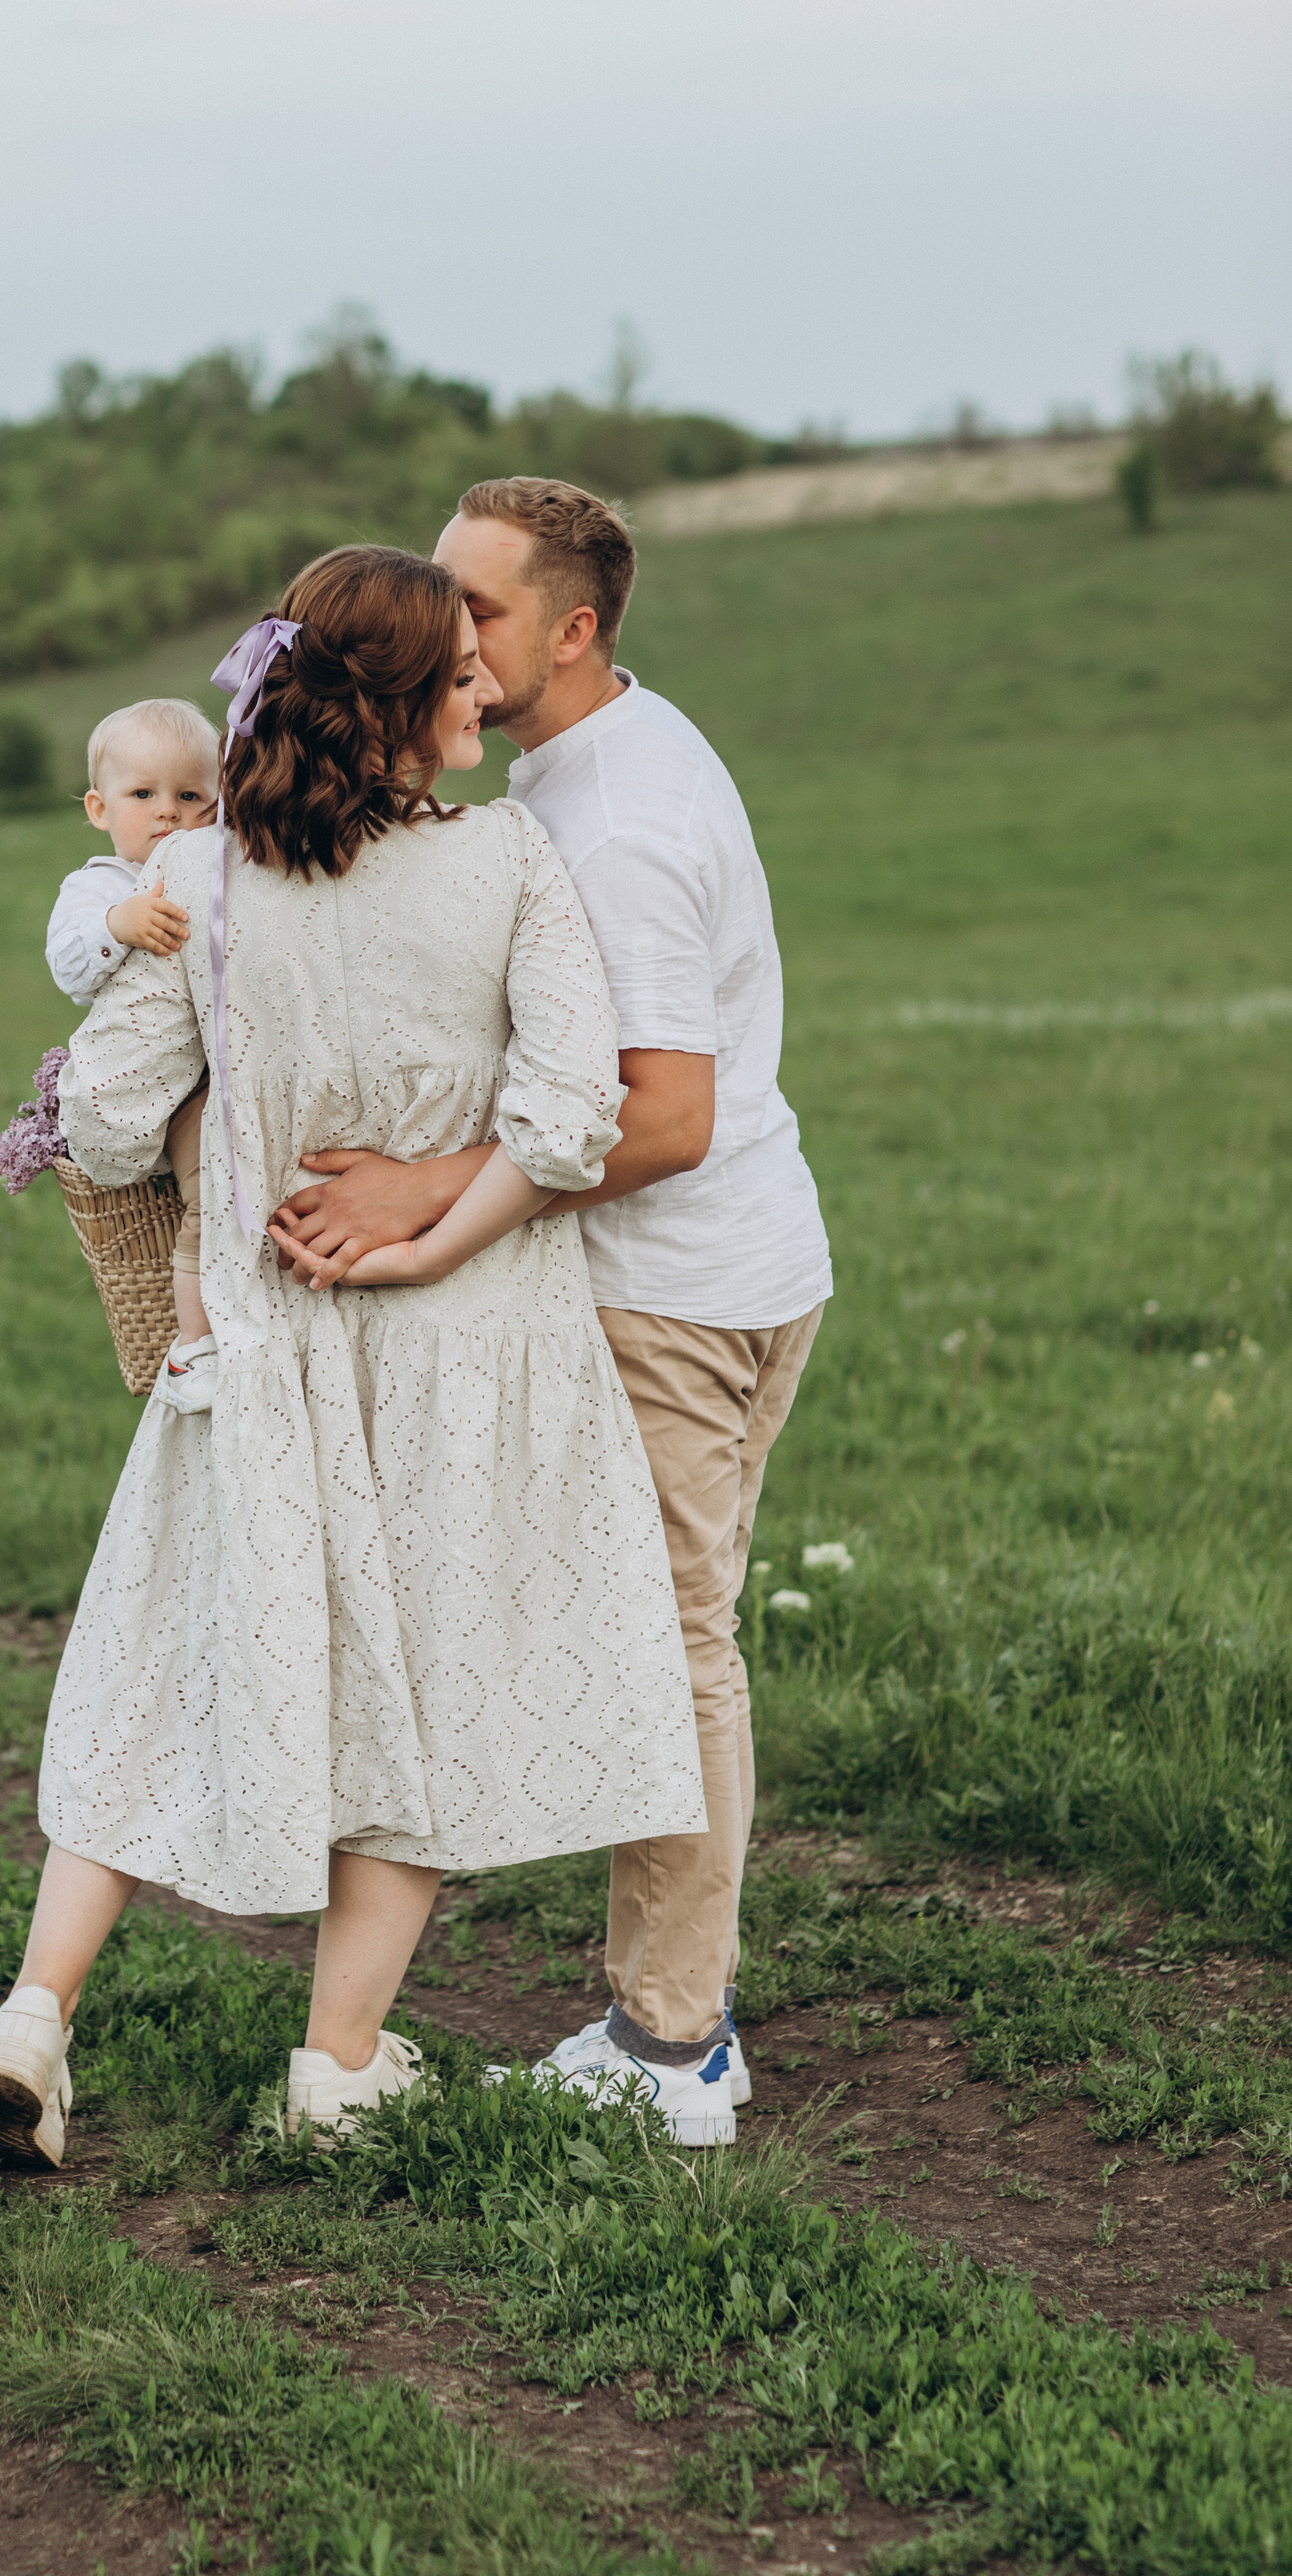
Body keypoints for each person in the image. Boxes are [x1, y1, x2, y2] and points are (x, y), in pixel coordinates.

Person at [0, 545, 705, 2171]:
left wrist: (215, 1177)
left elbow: (91, 1109)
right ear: (395, 709)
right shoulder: (505, 860)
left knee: (157, 1679)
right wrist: (432, 1238)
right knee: (415, 1716)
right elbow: (569, 1115)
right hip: (468, 1354)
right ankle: (336, 2067)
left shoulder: (211, 880)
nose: (485, 696)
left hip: (255, 1350)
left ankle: (33, 2016)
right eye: (457, 679)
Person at [270, 478, 831, 2149]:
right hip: (693, 1271)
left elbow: (660, 1114)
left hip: (676, 1289)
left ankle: (675, 2053)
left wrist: (422, 1187)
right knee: (662, 1643)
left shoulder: (617, 820)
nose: (451, 628)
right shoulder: (569, 768)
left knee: (675, 1650)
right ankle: (658, 2015)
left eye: (483, 607)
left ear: (576, 628)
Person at [44, 697, 220, 1412]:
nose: (167, 813)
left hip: (219, 1070)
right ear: (99, 807)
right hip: (161, 1092)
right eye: (143, 795)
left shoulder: (214, 869)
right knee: (209, 1195)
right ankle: (194, 1344)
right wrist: (120, 924)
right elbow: (68, 967)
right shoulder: (98, 887)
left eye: (190, 796)